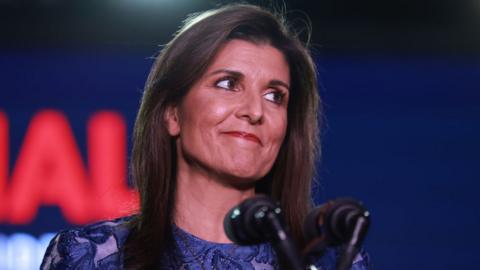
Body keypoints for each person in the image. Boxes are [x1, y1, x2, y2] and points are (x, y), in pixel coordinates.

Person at [41, 4, 372, 270]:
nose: (254, 111)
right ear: (172, 114)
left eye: (275, 95)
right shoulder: (91, 257)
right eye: (229, 84)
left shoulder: (331, 262)